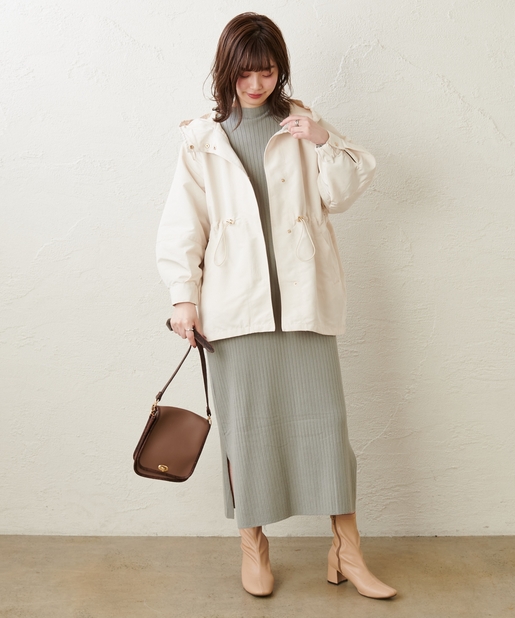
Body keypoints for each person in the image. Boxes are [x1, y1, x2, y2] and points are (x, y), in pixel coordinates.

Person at [156, 12, 396, 600]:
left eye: (266, 72)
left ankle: (347, 551)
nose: (257, 84)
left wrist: (323, 139)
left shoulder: (301, 124)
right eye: (246, 73)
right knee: (247, 431)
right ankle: (253, 546)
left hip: (304, 303)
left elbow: (343, 192)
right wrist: (184, 297)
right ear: (227, 71)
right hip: (235, 309)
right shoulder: (203, 138)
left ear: (279, 70)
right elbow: (184, 224)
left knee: (326, 428)